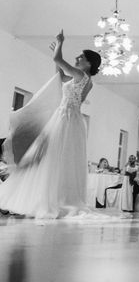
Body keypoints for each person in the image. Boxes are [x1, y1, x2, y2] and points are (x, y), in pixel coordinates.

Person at [0, 30, 101, 218]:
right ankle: (56, 196)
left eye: (81, 56)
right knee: (58, 158)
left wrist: (60, 43)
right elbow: (61, 77)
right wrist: (57, 59)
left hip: (65, 117)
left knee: (49, 155)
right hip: (73, 119)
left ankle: (49, 198)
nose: (78, 57)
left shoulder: (80, 74)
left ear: (88, 63)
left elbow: (59, 61)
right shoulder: (86, 80)